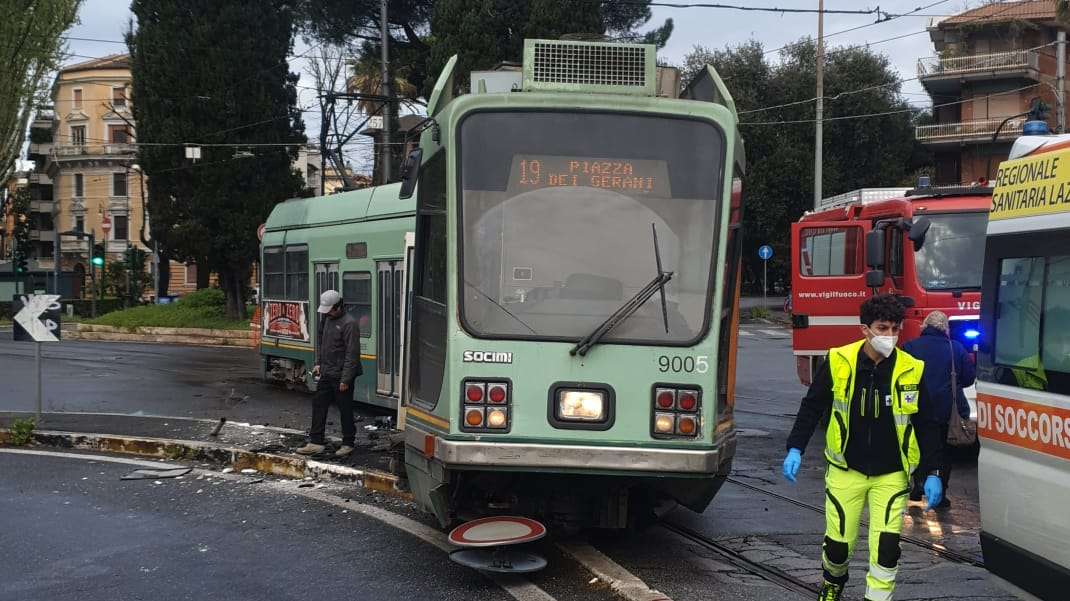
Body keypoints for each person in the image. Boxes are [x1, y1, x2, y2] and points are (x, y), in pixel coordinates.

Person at [781, 293, 944, 601]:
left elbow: (927, 423)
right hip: (846, 469)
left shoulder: (911, 367)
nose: (890, 336)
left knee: (886, 547)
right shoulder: (839, 360)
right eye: (883, 328)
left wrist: (933, 471)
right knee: (838, 545)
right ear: (865, 329)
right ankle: (833, 580)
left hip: (892, 474)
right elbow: (812, 407)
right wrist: (795, 448)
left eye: (895, 329)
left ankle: (877, 597)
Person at [902, 311, 974, 508]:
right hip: (946, 410)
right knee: (944, 451)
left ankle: (917, 486)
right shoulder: (956, 348)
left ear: (924, 327)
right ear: (946, 329)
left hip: (916, 406)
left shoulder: (909, 346)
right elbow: (968, 378)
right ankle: (941, 492)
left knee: (918, 446)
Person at [296, 290, 362, 458]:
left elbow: (352, 354)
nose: (328, 313)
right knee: (318, 404)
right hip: (327, 371)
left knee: (345, 409)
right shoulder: (326, 318)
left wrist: (346, 379)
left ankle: (348, 443)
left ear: (339, 306)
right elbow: (321, 342)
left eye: (331, 310)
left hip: (342, 374)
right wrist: (318, 362)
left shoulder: (349, 324)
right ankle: (316, 442)